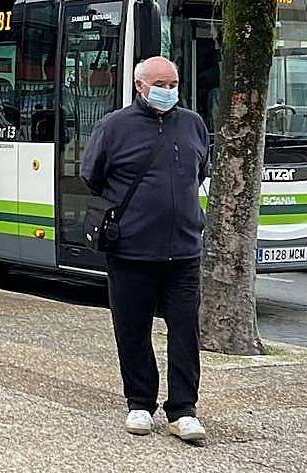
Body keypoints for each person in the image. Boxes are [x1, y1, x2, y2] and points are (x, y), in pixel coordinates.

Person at [81, 56, 211, 444]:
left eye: (173, 83)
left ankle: (183, 410)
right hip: (131, 249)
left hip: (185, 251)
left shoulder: (193, 124)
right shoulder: (114, 127)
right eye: (161, 83)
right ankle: (139, 402)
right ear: (140, 86)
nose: (168, 90)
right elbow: (93, 175)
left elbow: (199, 169)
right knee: (132, 328)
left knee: (185, 331)